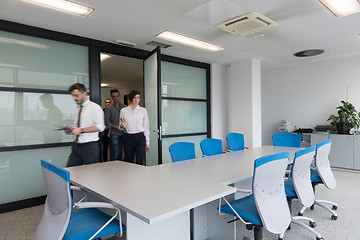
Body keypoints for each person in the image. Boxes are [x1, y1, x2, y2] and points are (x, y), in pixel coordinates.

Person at [65, 83, 105, 167]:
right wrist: (70, 131)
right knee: (70, 172)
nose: (74, 98)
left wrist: (81, 130)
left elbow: (100, 127)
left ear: (84, 93)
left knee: (92, 175)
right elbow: (78, 128)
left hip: (89, 147)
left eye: (76, 95)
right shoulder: (79, 110)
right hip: (77, 146)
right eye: (73, 96)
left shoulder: (95, 107)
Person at [120, 90, 150, 165]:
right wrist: (121, 125)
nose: (136, 100)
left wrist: (147, 142)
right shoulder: (123, 111)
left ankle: (139, 176)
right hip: (128, 137)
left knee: (139, 161)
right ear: (131, 98)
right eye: (134, 98)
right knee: (129, 160)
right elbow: (120, 126)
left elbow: (146, 127)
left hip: (140, 137)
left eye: (138, 98)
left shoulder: (143, 110)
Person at [104, 90, 126, 161]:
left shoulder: (125, 107)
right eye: (113, 97)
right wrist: (116, 127)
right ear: (111, 97)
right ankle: (114, 171)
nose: (116, 98)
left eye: (117, 96)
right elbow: (106, 122)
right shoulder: (108, 109)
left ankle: (122, 170)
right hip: (114, 134)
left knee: (126, 154)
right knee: (116, 154)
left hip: (125, 134)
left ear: (119, 96)